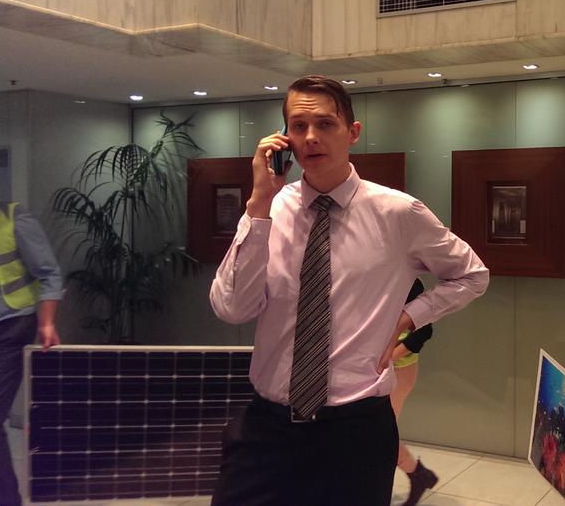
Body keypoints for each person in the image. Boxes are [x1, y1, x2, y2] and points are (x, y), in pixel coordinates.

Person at [209, 75, 489, 505]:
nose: (311, 137)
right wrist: (258, 205)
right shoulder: (269, 210)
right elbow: (232, 307)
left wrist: (411, 316)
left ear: (353, 132)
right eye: (298, 126)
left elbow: (472, 275)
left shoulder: (397, 212)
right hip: (266, 429)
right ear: (284, 138)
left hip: (355, 430)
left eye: (325, 124)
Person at [0, 200, 62, 506]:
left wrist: (46, 322)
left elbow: (49, 273)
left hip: (11, 325)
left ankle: (5, 500)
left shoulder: (13, 217)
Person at [390, 279, 437, 506]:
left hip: (398, 370)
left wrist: (388, 358)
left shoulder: (408, 282)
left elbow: (424, 331)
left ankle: (418, 474)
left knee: (380, 434)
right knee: (375, 433)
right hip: (374, 369)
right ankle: (419, 475)